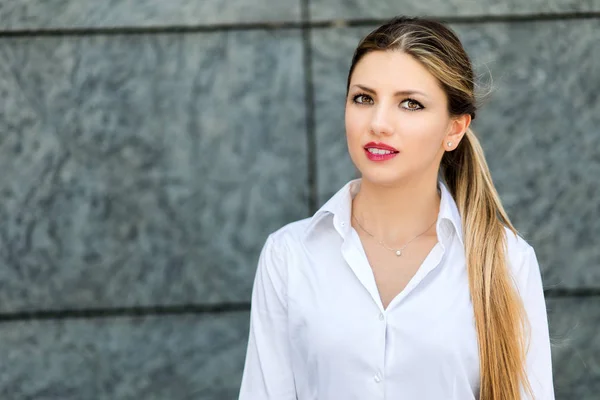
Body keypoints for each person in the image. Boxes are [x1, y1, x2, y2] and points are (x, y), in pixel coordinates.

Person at [238, 16, 554, 400]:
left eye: (410, 103)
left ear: (454, 129)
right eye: (363, 98)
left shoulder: (506, 261)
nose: (379, 123)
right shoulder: (289, 255)